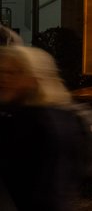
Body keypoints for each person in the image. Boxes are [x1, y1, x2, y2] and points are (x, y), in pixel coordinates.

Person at [0, 46, 87, 211]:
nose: (3, 79)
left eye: (13, 73)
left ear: (34, 78)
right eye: (1, 72)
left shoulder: (36, 121)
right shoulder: (58, 114)